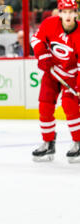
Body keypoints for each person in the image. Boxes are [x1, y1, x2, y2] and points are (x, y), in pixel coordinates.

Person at [30, 0, 80, 163]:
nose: (67, 15)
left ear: (76, 13)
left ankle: (78, 141)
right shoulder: (49, 24)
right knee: (44, 105)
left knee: (69, 104)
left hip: (71, 74)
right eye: (64, 12)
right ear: (59, 13)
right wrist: (43, 55)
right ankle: (48, 142)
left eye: (70, 12)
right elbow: (35, 40)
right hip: (52, 71)